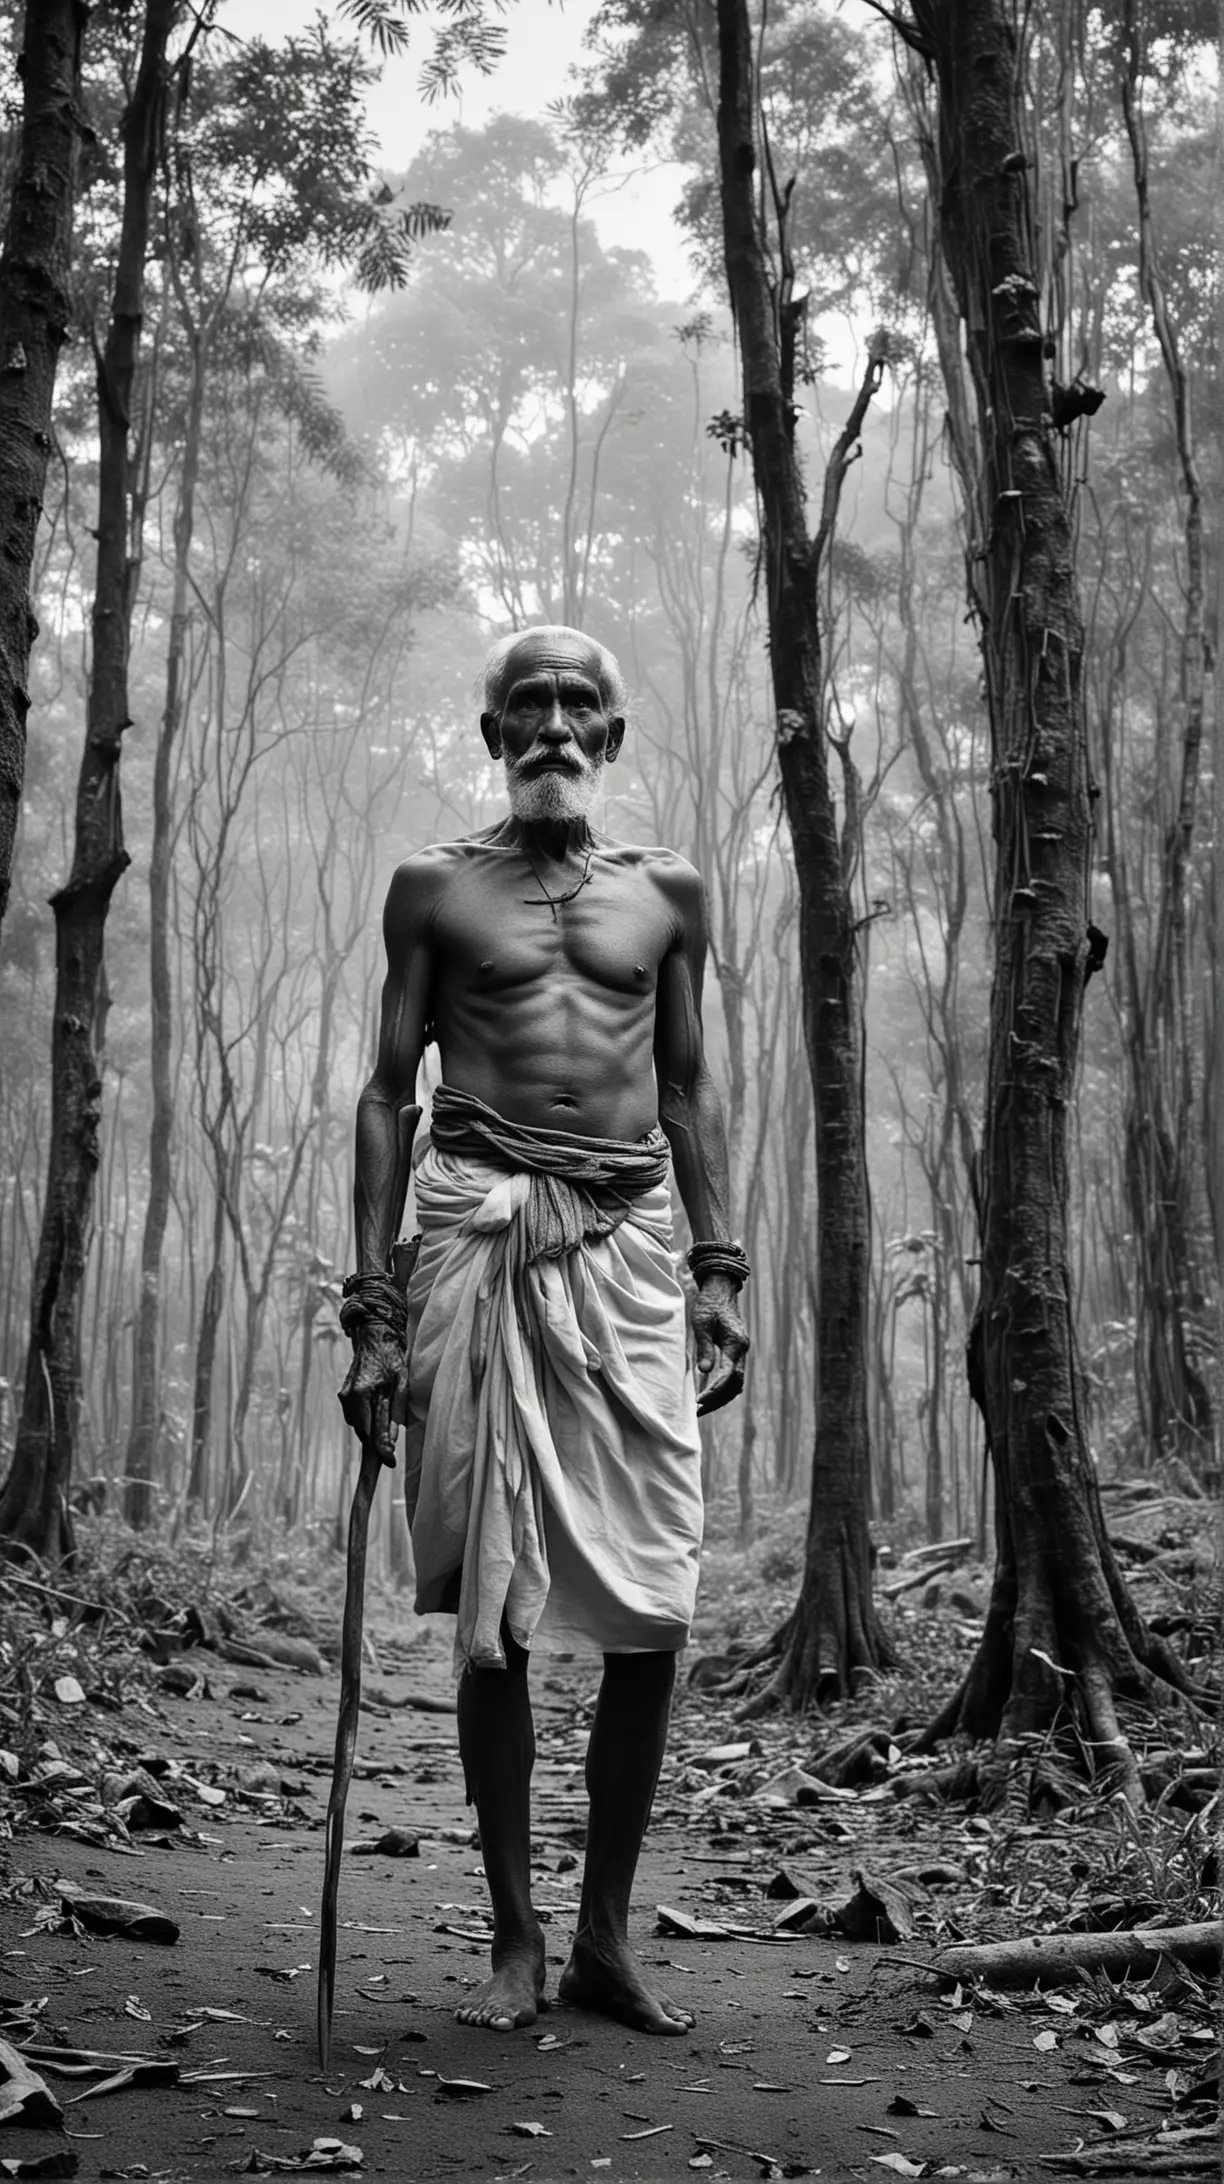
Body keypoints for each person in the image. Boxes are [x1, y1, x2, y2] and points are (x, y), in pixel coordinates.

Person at [339, 625, 749, 2037]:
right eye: (531, 705)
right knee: (494, 1623)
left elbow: (687, 1093)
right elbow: (387, 1092)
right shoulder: (433, 890)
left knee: (660, 1610)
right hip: (477, 1242)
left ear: (616, 735)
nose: (556, 727)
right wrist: (373, 1310)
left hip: (632, 1251)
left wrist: (717, 1267)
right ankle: (516, 1936)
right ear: (492, 728)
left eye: (582, 706)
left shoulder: (670, 894)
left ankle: (606, 1939)